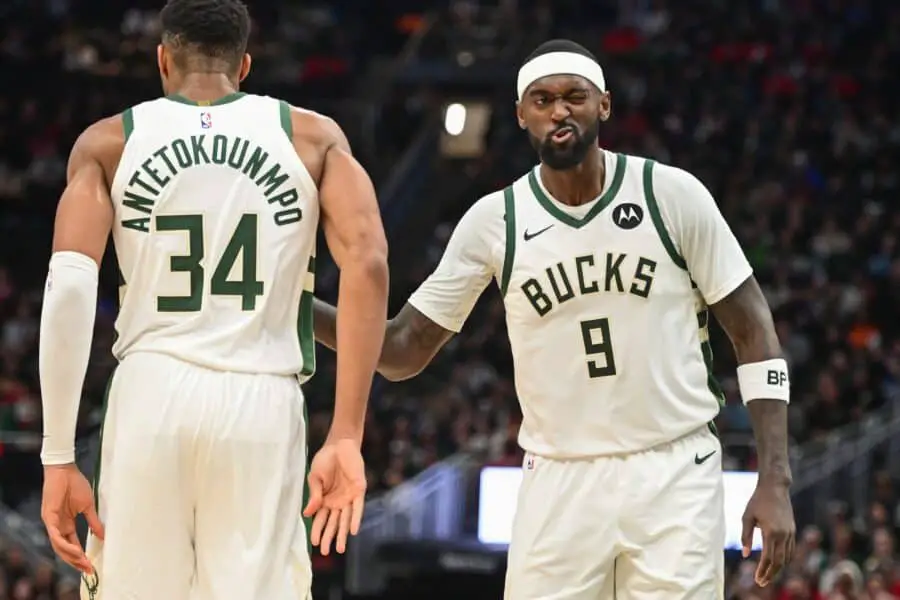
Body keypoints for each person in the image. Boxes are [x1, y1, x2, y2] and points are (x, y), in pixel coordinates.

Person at [312, 39, 796, 598]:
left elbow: (754, 333)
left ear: (604, 105)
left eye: (574, 96)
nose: (559, 110)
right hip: (558, 474)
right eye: (542, 100)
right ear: (521, 114)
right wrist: (295, 307)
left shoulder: (672, 195)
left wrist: (775, 479)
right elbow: (399, 351)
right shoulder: (494, 221)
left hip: (674, 469)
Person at [37, 0, 388, 598]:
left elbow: (69, 286)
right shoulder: (310, 137)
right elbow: (369, 265)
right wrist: (347, 434)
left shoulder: (108, 142)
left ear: (161, 61)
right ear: (245, 66)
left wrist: (58, 455)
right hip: (260, 398)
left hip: (152, 392)